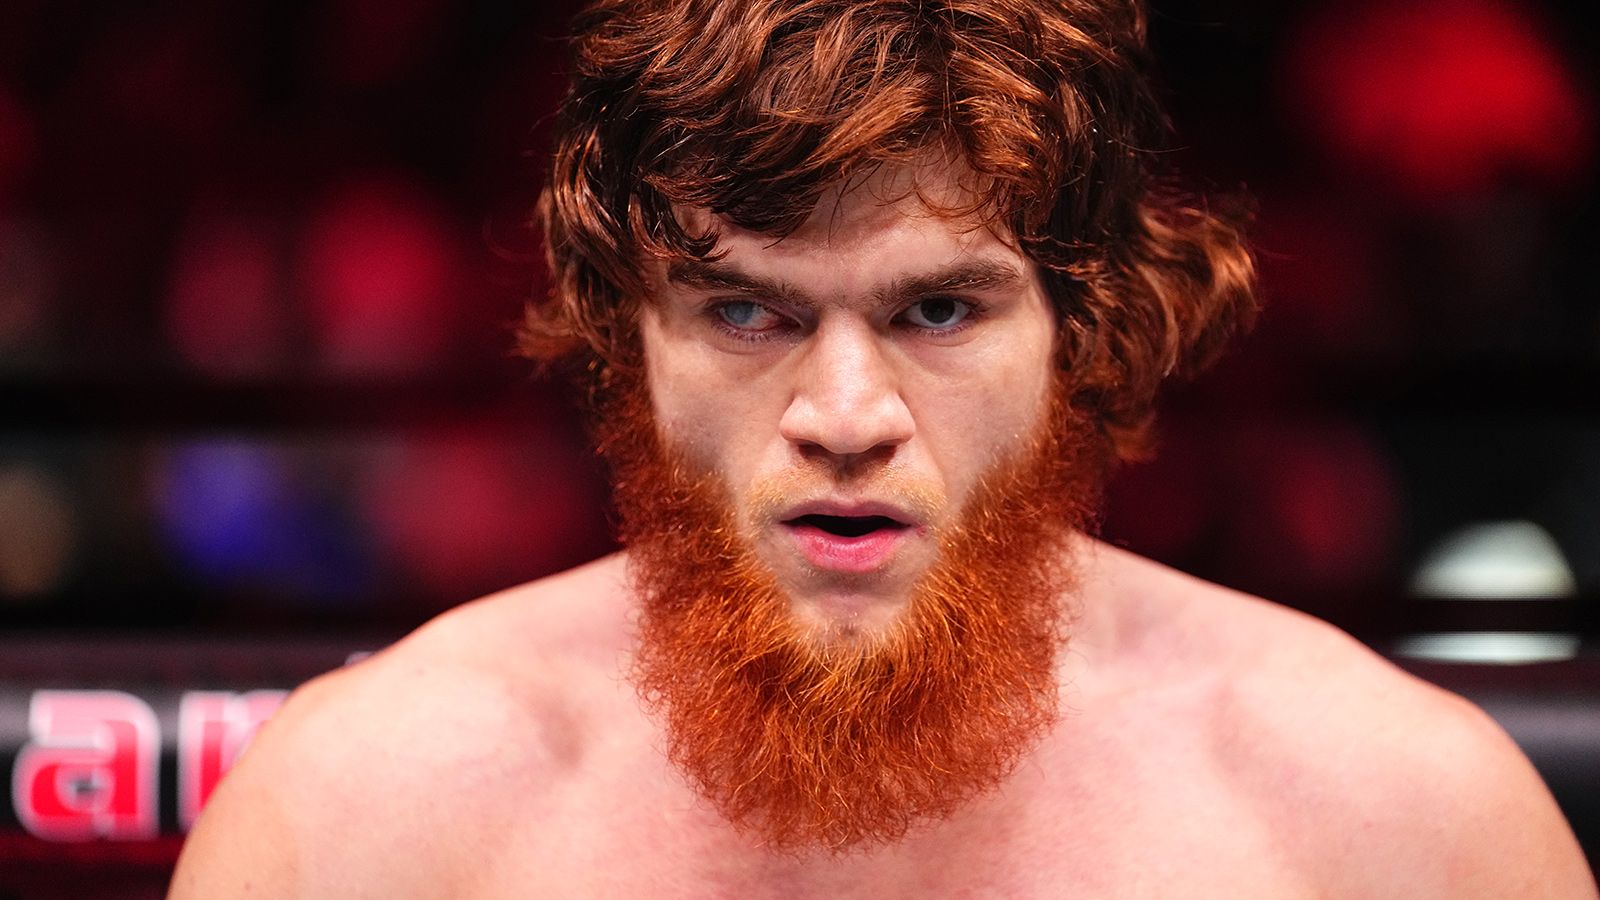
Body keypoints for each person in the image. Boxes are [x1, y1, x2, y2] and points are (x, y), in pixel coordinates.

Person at [170, 0, 1596, 895]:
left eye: (937, 310)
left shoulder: (1395, 816)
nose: (847, 417)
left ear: (1081, 330)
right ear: (626, 334)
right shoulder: (363, 810)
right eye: (747, 311)